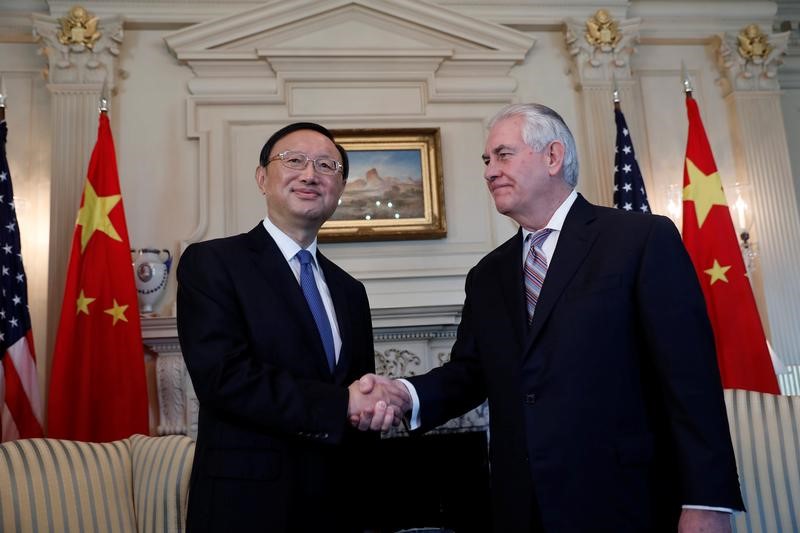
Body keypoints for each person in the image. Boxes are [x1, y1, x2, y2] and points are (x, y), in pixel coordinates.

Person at [356, 104, 744, 532]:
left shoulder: (640, 240)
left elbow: (690, 379)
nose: (489, 172)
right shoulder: (487, 275)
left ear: (553, 157)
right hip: (523, 507)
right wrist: (404, 394)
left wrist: (708, 500)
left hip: (627, 501)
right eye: (487, 161)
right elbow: (470, 373)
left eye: (503, 155)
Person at [177, 121, 407, 532]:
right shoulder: (212, 264)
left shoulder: (350, 291)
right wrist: (343, 405)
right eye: (294, 160)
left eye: (326, 165)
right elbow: (224, 378)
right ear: (263, 178)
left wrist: (376, 407)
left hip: (338, 507)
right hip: (248, 507)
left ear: (339, 188)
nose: (310, 174)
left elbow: (356, 393)